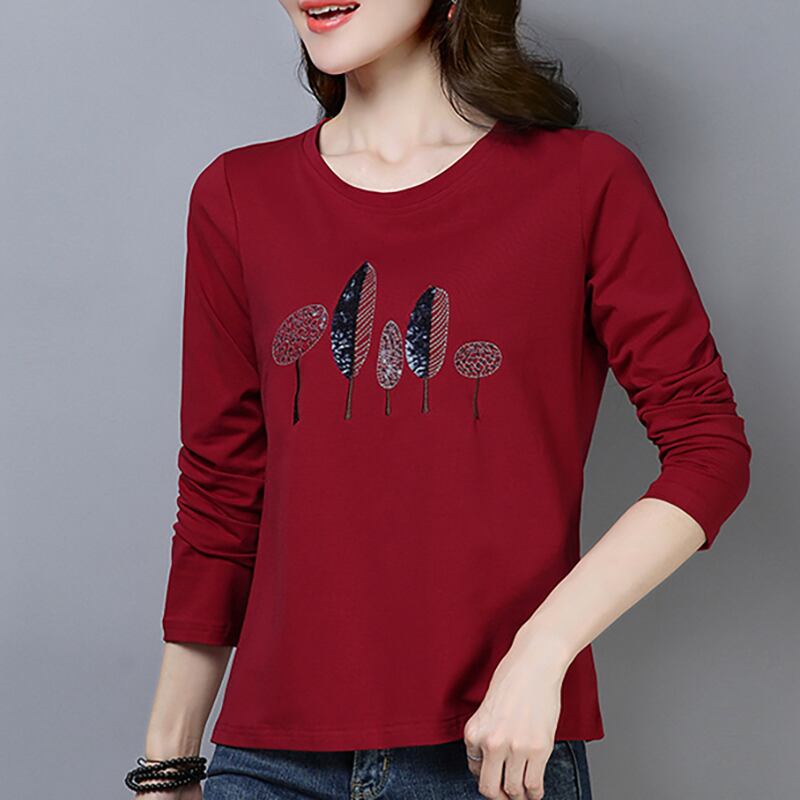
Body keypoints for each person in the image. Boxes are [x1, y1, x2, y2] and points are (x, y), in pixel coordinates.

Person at [130, 1, 752, 798]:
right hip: (267, 765)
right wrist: (169, 761)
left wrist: (544, 651)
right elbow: (222, 494)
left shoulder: (583, 182)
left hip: (493, 756)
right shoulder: (238, 195)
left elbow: (709, 449)